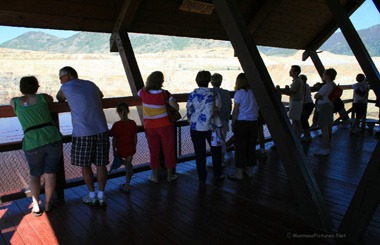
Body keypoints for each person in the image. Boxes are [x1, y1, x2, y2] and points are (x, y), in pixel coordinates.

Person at [56, 66, 109, 206]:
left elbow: (59, 98)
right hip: (102, 129)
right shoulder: (91, 84)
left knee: (85, 165)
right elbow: (101, 95)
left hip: (83, 132)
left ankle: (92, 195)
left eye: (60, 77)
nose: (60, 80)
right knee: (101, 164)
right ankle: (102, 195)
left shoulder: (66, 87)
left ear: (68, 75)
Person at [10, 76, 63, 216]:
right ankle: (47, 203)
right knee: (50, 173)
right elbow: (51, 100)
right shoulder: (43, 98)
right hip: (51, 137)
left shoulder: (14, 102)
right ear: (37, 86)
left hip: (32, 142)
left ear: (21, 88)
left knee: (35, 174)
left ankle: (35, 205)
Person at [138, 71, 179, 183]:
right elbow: (175, 107)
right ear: (161, 81)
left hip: (150, 127)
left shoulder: (142, 92)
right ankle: (170, 176)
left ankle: (155, 176)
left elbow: (139, 94)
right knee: (169, 150)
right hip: (165, 125)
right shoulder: (165, 94)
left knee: (154, 151)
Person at [187, 70, 224, 182]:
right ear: (209, 81)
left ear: (197, 81)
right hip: (212, 127)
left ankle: (202, 176)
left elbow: (189, 110)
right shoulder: (214, 94)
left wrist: (192, 120)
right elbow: (218, 108)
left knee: (199, 153)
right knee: (216, 150)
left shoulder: (193, 94)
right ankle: (218, 174)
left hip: (196, 127)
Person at [229, 73, 259, 180]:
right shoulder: (255, 93)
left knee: (240, 148)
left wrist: (233, 123)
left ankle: (239, 173)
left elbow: (236, 110)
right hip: (253, 122)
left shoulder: (239, 93)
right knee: (251, 146)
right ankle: (249, 171)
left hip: (242, 122)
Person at [109, 102, 138, 193]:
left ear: (118, 112)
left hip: (121, 148)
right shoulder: (132, 123)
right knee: (128, 164)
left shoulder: (116, 125)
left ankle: (127, 184)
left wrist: (114, 149)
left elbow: (114, 139)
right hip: (130, 147)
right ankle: (127, 184)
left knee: (125, 164)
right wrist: (134, 146)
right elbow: (135, 136)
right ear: (128, 111)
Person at [314, 68, 337, 156]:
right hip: (329, 106)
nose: (322, 76)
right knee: (327, 127)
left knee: (324, 128)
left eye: (324, 74)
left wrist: (319, 96)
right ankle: (326, 146)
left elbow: (317, 96)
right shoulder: (333, 85)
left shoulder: (326, 86)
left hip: (324, 107)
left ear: (328, 76)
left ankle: (325, 148)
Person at [211, 73, 232, 163]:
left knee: (213, 142)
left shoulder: (209, 92)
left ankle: (215, 161)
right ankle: (222, 160)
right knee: (222, 141)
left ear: (211, 82)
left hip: (212, 122)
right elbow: (229, 107)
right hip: (224, 120)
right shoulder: (226, 93)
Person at [281, 65, 304, 139]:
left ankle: (298, 136)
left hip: (295, 102)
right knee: (295, 120)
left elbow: (292, 92)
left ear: (296, 72)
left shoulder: (297, 81)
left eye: (292, 70)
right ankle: (297, 135)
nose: (290, 72)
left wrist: (281, 90)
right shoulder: (297, 81)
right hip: (296, 102)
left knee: (296, 120)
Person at [299, 74, 315, 142]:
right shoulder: (307, 85)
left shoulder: (303, 87)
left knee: (303, 120)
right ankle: (307, 136)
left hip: (306, 105)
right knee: (304, 120)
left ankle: (307, 136)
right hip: (309, 104)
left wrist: (302, 108)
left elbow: (302, 98)